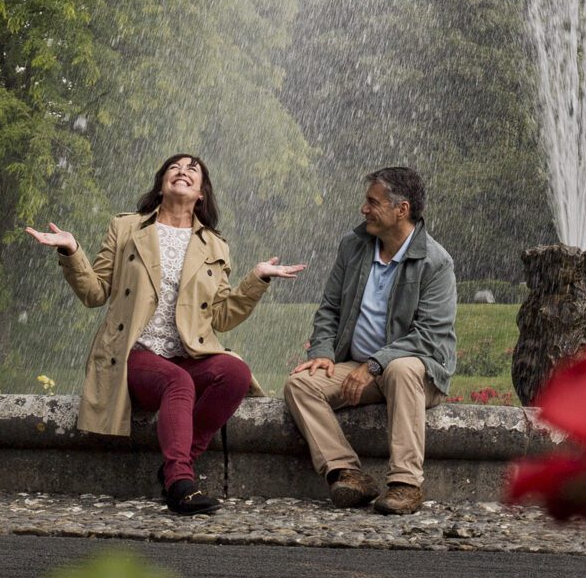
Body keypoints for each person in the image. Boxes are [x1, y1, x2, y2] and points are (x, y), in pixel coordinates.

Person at [27, 154, 303, 515]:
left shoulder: (215, 246)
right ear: (161, 184)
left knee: (235, 373)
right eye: (175, 167)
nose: (183, 171)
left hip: (188, 354)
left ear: (201, 193)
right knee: (178, 383)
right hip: (136, 353)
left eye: (193, 170)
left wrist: (258, 279)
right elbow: (94, 293)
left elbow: (220, 317)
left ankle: (179, 461)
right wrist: (71, 251)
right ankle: (180, 484)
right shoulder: (126, 228)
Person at [283, 165, 457, 514]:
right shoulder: (354, 246)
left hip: (417, 374)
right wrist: (322, 351)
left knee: (402, 369)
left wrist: (375, 364)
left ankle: (406, 484)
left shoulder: (436, 263)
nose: (364, 209)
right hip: (359, 366)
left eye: (372, 202)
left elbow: (429, 336)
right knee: (300, 384)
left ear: (401, 209)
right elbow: (330, 308)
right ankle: (347, 472)